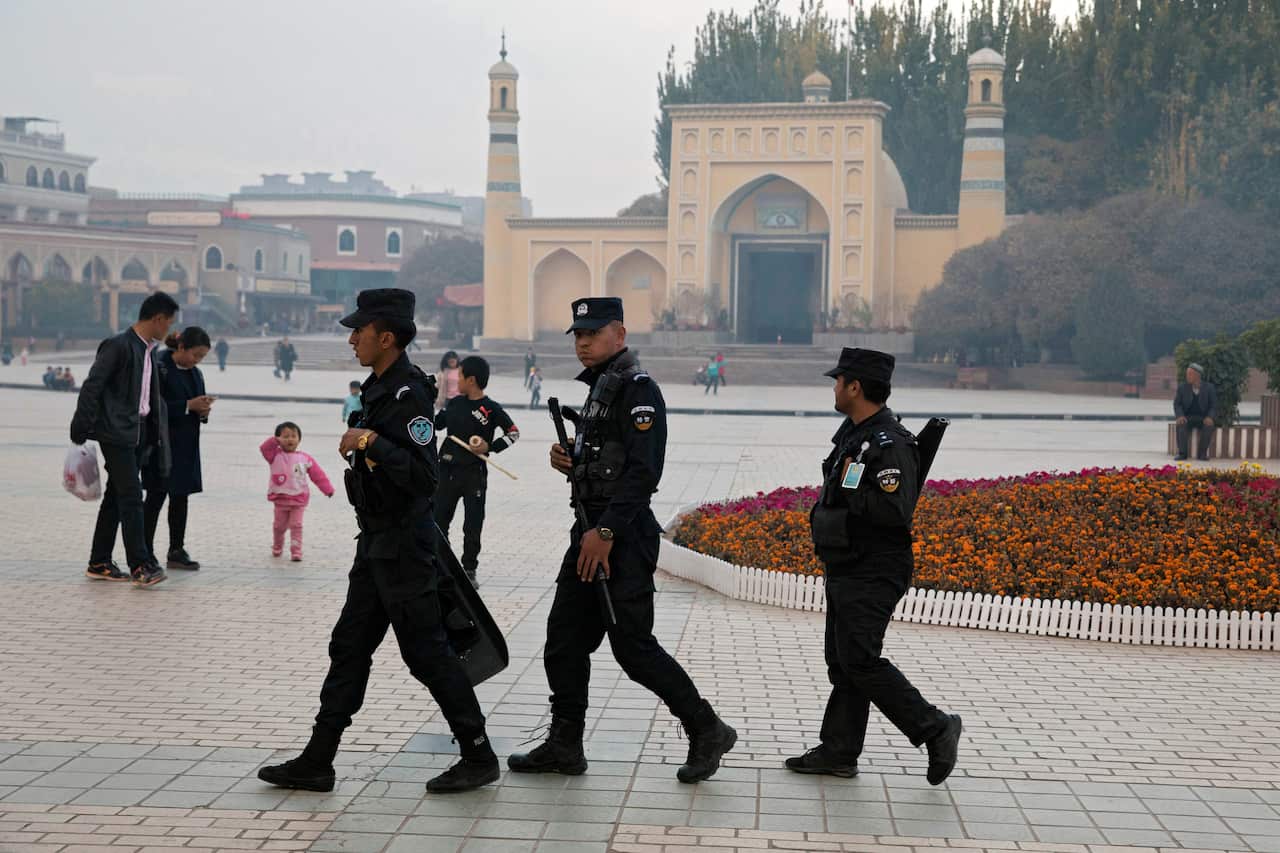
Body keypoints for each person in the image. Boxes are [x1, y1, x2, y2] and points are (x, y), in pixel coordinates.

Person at [258, 288, 499, 794]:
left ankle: (478, 754)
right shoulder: (378, 388)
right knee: (348, 647)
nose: (351, 339)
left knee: (427, 654)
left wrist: (369, 441)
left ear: (385, 336)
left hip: (405, 547)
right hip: (376, 543)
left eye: (359, 331)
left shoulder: (408, 393)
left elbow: (422, 475)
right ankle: (318, 759)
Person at [508, 296, 736, 784]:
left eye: (592, 333)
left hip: (621, 538)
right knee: (564, 641)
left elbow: (643, 472)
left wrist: (607, 532)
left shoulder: (638, 391)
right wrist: (572, 459)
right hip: (589, 533)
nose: (583, 343)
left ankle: (707, 728)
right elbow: (608, 459)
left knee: (633, 649)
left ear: (620, 334)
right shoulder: (601, 389)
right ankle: (565, 745)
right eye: (578, 335)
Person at [791, 347, 961, 785]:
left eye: (838, 381)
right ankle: (839, 750)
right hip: (848, 565)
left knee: (860, 660)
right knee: (843, 661)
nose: (834, 387)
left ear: (856, 387)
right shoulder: (855, 435)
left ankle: (934, 727)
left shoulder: (889, 444)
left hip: (874, 568)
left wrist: (852, 490)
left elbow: (894, 511)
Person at [69, 291, 179, 587]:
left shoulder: (148, 350)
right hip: (116, 433)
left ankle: (99, 561)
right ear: (157, 319)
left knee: (117, 497)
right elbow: (93, 385)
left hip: (137, 432)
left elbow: (148, 396)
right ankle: (140, 565)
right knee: (132, 496)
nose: (169, 329)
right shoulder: (118, 346)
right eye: (168, 323)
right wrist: (80, 426)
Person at [433, 356, 520, 587]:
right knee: (439, 519)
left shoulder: (491, 409)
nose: (456, 380)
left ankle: (469, 569)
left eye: (459, 376)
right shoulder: (454, 404)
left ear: (470, 380)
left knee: (473, 524)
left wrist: (489, 447)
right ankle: (443, 564)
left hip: (474, 474)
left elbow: (513, 433)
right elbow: (435, 424)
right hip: (447, 470)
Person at [143, 327, 214, 570]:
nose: (197, 361)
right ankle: (144, 551)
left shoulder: (196, 374)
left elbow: (197, 406)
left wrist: (203, 410)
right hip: (161, 444)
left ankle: (176, 548)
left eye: (202, 357)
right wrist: (186, 405)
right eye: (196, 355)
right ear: (181, 347)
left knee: (180, 497)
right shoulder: (159, 366)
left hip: (186, 445)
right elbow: (151, 405)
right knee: (155, 496)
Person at [259, 422, 334, 561]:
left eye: (294, 436)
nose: (290, 439)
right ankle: (277, 546)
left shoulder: (305, 459)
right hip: (280, 498)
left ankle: (296, 550)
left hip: (299, 499)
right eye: (285, 436)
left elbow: (318, 475)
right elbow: (264, 449)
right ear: (278, 439)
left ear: (299, 439)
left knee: (296, 525)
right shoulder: (274, 456)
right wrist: (275, 441)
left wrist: (327, 489)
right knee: (279, 526)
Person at [1174, 362, 1217, 461]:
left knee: (1209, 426)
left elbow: (1213, 405)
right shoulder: (1182, 388)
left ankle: (1202, 454)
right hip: (1187, 417)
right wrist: (1180, 415)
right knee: (1180, 424)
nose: (1187, 376)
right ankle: (1182, 453)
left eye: (1190, 374)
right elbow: (1177, 404)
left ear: (1197, 375)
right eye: (1187, 374)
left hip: (1203, 417)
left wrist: (1210, 417)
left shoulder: (1209, 388)